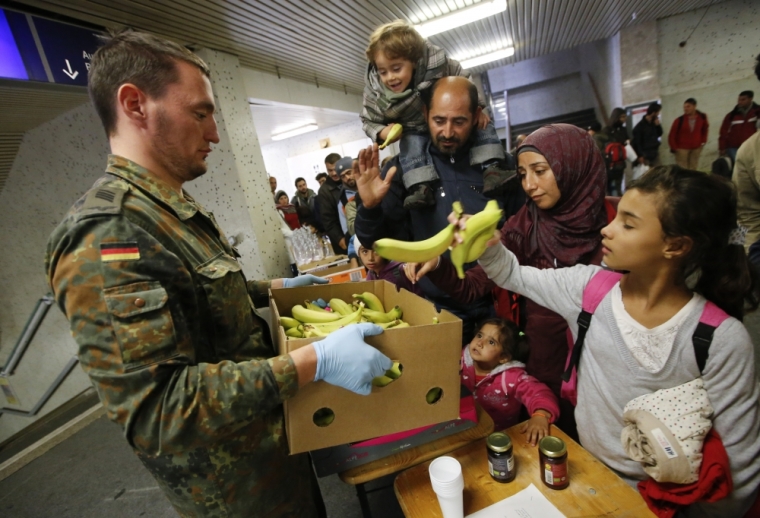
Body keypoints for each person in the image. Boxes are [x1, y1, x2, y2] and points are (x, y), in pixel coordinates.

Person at [44, 31, 393, 517]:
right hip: (233, 491)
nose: (214, 134)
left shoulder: (167, 205)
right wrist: (311, 363)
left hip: (270, 453)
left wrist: (276, 288)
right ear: (134, 104)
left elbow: (198, 297)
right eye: (200, 113)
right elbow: (156, 412)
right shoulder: (107, 234)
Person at [469, 166, 760, 516]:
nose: (607, 229)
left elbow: (739, 469)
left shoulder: (720, 339)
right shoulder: (589, 289)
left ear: (676, 246)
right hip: (585, 473)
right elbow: (513, 274)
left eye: (628, 223)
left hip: (665, 503)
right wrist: (486, 245)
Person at [405, 124, 609, 440]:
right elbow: (473, 286)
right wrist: (439, 266)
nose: (529, 185)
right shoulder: (524, 224)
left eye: (540, 171)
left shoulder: (618, 227)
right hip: (542, 365)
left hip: (602, 371)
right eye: (523, 174)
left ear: (574, 167)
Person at [355, 76, 525, 343]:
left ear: (476, 115)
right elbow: (376, 242)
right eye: (439, 121)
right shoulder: (404, 171)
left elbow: (523, 228)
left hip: (501, 300)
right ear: (425, 114)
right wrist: (370, 207)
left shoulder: (499, 166)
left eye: (459, 121)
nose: (447, 132)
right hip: (436, 304)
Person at [361, 20, 512, 209]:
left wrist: (478, 107)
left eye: (397, 69)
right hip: (412, 127)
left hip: (449, 108)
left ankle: (492, 168)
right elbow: (368, 119)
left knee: (482, 123)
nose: (390, 77)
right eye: (383, 72)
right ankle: (420, 187)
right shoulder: (376, 92)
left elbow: (465, 80)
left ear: (414, 62)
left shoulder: (438, 66)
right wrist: (383, 132)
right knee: (411, 145)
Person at [461, 317, 559, 444]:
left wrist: (541, 415)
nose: (480, 342)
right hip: (463, 431)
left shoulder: (513, 378)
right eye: (480, 335)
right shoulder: (459, 361)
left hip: (499, 437)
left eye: (491, 342)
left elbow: (540, 393)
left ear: (503, 357)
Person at [354, 235, 422, 296]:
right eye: (365, 251)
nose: (370, 258)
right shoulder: (370, 274)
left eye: (376, 251)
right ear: (359, 254)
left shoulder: (401, 270)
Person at [719, 90, 760, 164]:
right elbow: (724, 131)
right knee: (740, 165)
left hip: (752, 147)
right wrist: (722, 147)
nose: (739, 102)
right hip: (734, 147)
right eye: (739, 100)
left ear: (750, 99)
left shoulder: (757, 113)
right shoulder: (731, 115)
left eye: (743, 99)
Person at [668, 98, 709, 170]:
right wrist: (675, 148)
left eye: (688, 106)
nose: (686, 109)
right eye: (684, 107)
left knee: (693, 167)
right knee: (683, 169)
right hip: (682, 149)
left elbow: (705, 129)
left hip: (696, 147)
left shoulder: (702, 117)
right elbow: (672, 135)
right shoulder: (679, 120)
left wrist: (703, 142)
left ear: (694, 106)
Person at [318, 154, 346, 254]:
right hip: (342, 239)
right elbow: (328, 220)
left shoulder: (349, 180)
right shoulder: (324, 191)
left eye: (335, 169)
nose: (334, 173)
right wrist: (339, 239)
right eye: (330, 170)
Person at [603, 107, 629, 196]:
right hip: (610, 163)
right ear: (616, 117)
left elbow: (625, 140)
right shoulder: (607, 130)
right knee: (611, 187)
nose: (624, 119)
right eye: (622, 117)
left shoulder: (623, 129)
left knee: (618, 185)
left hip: (620, 162)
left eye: (625, 116)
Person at [632, 102, 663, 168]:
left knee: (659, 171)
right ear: (653, 112)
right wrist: (640, 155)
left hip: (654, 152)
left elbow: (659, 134)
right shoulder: (640, 126)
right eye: (657, 112)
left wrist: (658, 126)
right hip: (645, 154)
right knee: (648, 173)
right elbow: (638, 142)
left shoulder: (654, 123)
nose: (658, 114)